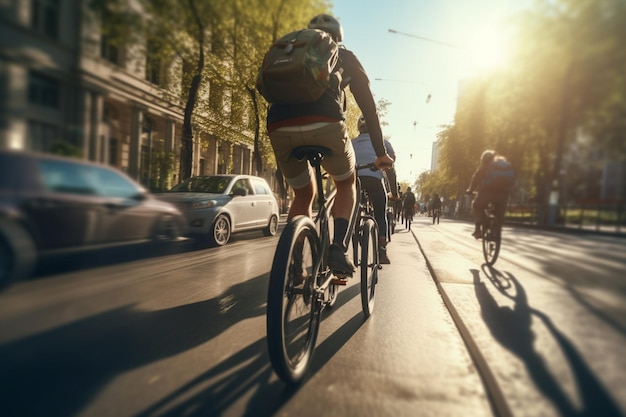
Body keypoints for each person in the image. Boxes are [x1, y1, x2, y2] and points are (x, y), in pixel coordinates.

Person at [265, 14, 394, 276]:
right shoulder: (344, 56)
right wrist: (381, 154)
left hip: (279, 125)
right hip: (325, 122)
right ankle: (337, 248)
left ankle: (294, 261)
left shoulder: (289, 51)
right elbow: (369, 109)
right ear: (338, 38)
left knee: (303, 194)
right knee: (346, 183)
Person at [351, 115, 398, 264]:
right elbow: (391, 168)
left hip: (354, 181)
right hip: (375, 181)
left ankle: (344, 243)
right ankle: (382, 251)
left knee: (349, 212)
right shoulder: (384, 143)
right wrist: (394, 193)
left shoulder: (351, 143)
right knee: (380, 214)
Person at [465, 150, 512, 238]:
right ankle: (496, 229)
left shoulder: (485, 167)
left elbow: (476, 179)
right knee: (499, 214)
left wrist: (470, 190)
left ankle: (478, 230)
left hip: (487, 193)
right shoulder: (504, 166)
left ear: (483, 159)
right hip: (503, 195)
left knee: (476, 206)